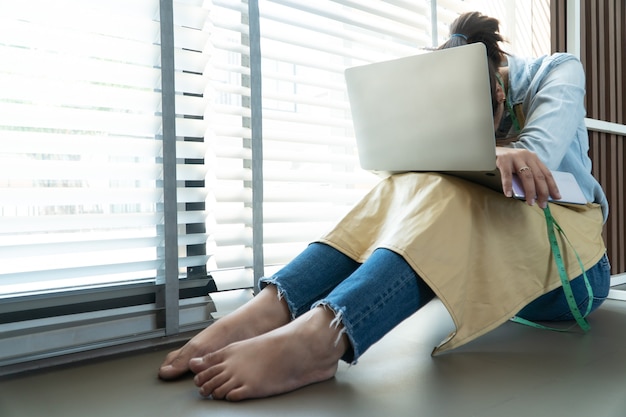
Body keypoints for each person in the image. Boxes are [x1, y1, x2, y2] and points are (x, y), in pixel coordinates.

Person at [158, 12, 610, 401]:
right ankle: (269, 309)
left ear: (498, 89)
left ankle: (325, 337)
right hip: (498, 269)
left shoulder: (558, 71)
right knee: (405, 183)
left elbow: (539, 157)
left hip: (574, 269)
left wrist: (493, 154)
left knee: (450, 187)